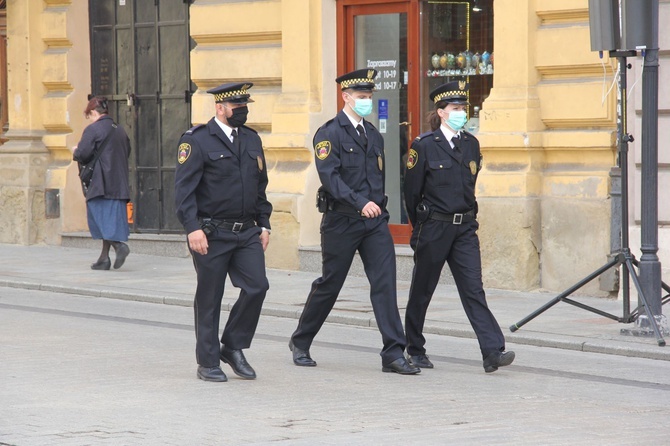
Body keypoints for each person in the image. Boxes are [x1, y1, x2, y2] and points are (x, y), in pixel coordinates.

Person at [289, 69, 419, 375]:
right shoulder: (329, 133)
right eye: (361, 97)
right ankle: (301, 340)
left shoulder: (372, 134)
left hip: (373, 223)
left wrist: (379, 208)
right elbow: (330, 178)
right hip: (342, 221)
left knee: (385, 283)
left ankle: (393, 352)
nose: (367, 102)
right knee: (330, 285)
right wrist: (360, 203)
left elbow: (377, 177)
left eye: (369, 97)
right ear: (346, 97)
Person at [403, 80, 515, 373]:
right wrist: (419, 229)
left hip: (464, 228)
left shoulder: (471, 144)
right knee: (422, 290)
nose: (461, 113)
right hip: (435, 227)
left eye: (463, 108)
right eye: (455, 108)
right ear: (441, 112)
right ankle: (414, 348)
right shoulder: (424, 146)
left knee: (473, 288)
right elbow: (411, 193)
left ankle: (492, 351)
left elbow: (470, 186)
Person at [174, 82, 272, 383]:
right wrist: (192, 228)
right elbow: (184, 190)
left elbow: (260, 186)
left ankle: (231, 346)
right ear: (220, 108)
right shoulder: (198, 140)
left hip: (246, 232)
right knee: (210, 297)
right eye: (237, 107)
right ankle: (208, 361)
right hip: (211, 232)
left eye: (245, 106)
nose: (243, 111)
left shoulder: (252, 139)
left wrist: (264, 222)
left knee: (258, 286)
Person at [73, 96, 131, 271]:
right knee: (109, 220)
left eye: (88, 116)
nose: (89, 119)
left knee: (98, 219)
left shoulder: (93, 130)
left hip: (99, 183)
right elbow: (126, 151)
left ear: (93, 112)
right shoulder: (119, 129)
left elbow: (82, 154)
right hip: (118, 184)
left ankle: (119, 246)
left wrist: (76, 151)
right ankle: (104, 259)